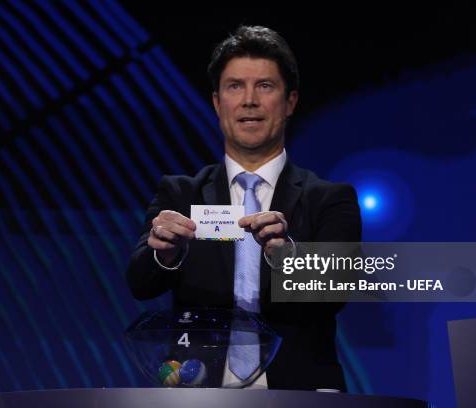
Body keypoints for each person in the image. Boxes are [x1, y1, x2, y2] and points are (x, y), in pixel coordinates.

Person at [126, 25, 361, 391]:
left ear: (290, 102)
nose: (249, 100)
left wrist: (288, 258)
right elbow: (139, 283)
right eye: (235, 86)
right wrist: (166, 254)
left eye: (265, 86)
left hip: (301, 392)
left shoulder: (330, 198)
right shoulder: (180, 193)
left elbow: (337, 292)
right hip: (198, 390)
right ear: (218, 103)